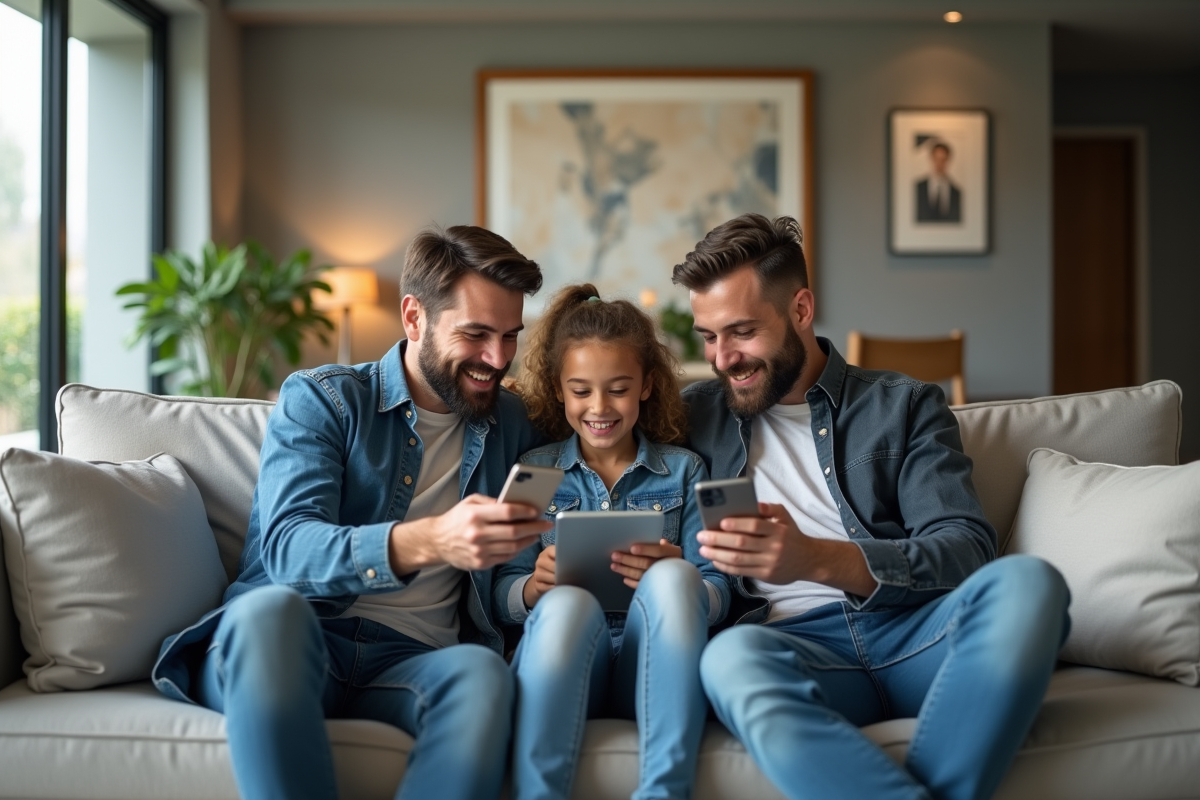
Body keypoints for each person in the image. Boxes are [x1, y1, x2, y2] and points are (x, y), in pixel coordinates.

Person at [674, 213, 1070, 800]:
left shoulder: (903, 405)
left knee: (1031, 584)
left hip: (917, 634)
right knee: (729, 658)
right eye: (709, 337)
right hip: (795, 648)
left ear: (801, 310)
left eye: (741, 332)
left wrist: (817, 559)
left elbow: (965, 548)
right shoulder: (691, 418)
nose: (723, 358)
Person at [150, 225, 553, 800]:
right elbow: (288, 548)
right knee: (269, 616)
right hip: (297, 639)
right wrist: (432, 539)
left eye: (511, 335)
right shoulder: (325, 400)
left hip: (413, 659)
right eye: (476, 334)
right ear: (414, 318)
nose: (497, 358)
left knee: (483, 674)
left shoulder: (513, 421)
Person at [494, 284, 731, 800]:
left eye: (618, 389)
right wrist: (532, 588)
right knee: (568, 605)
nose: (599, 407)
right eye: (581, 391)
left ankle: (663, 793)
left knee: (675, 577)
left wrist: (683, 577)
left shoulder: (686, 471)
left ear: (646, 386)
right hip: (569, 654)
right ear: (559, 389)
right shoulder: (534, 473)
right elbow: (500, 591)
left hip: (650, 661)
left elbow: (721, 589)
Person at [916, 140, 962, 222]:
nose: (939, 164)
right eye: (936, 159)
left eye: (943, 160)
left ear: (948, 161)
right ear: (931, 159)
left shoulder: (957, 192)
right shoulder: (918, 187)